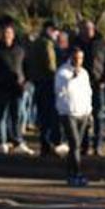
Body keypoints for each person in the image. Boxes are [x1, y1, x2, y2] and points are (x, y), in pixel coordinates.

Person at [0, 22, 32, 154]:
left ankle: (18, 140)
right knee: (1, 117)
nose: (7, 36)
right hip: (1, 88)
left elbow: (27, 67)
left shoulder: (20, 50)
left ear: (13, 35)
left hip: (17, 88)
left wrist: (25, 82)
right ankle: (2, 142)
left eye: (9, 33)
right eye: (4, 33)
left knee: (17, 116)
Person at [54, 46, 93, 186]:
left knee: (76, 146)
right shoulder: (62, 72)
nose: (78, 61)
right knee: (75, 143)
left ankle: (72, 172)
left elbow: (88, 92)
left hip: (83, 112)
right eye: (76, 58)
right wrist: (72, 78)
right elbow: (61, 89)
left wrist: (89, 111)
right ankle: (76, 173)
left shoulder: (84, 73)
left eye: (81, 58)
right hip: (68, 112)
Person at [74, 20, 105, 157]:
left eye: (89, 28)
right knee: (83, 116)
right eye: (84, 29)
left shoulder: (101, 43)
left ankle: (97, 145)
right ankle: (84, 145)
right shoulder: (76, 44)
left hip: (97, 83)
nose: (87, 31)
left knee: (98, 116)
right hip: (81, 85)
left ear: (94, 29)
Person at [26, 21, 61, 155]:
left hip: (38, 82)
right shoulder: (47, 44)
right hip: (48, 83)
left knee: (42, 115)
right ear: (50, 30)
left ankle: (44, 145)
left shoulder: (35, 43)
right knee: (51, 115)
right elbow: (50, 65)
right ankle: (50, 144)